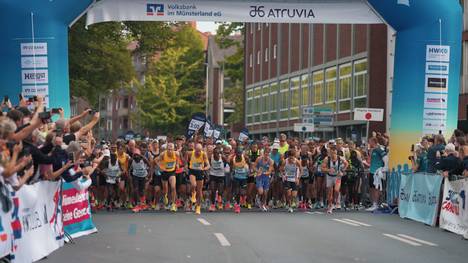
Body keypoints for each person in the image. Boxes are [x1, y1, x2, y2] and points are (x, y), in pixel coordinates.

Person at [321, 146, 348, 214]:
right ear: (330, 153)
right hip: (329, 177)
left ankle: (335, 202)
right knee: (330, 193)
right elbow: (322, 168)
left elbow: (346, 164)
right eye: (332, 153)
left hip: (337, 177)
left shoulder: (340, 158)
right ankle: (330, 206)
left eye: (334, 153)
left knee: (336, 190)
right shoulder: (327, 159)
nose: (333, 155)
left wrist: (343, 170)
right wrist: (329, 170)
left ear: (336, 153)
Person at [366, 137, 388, 212]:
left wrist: (383, 169)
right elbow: (371, 161)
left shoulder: (379, 149)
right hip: (372, 172)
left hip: (377, 172)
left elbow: (386, 159)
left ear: (374, 142)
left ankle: (376, 204)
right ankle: (373, 204)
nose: (369, 143)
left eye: (370, 142)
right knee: (371, 188)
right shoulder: (372, 150)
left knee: (376, 188)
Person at [188, 143, 210, 215]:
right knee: (193, 185)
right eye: (197, 151)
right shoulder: (190, 153)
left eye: (199, 151)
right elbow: (185, 162)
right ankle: (193, 194)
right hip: (192, 171)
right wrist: (185, 167)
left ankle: (198, 207)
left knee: (199, 191)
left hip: (200, 172)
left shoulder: (204, 154)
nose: (198, 152)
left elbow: (208, 165)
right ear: (195, 149)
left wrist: (204, 168)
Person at [159, 143, 180, 212]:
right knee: (165, 190)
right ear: (166, 149)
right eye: (168, 149)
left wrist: (177, 164)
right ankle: (165, 196)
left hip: (172, 172)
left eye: (171, 149)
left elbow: (177, 160)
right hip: (164, 172)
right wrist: (161, 167)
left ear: (173, 149)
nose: (170, 151)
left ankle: (173, 204)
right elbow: (157, 161)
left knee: (173, 187)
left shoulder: (176, 154)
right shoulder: (162, 154)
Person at [281, 148, 301, 213]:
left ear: (294, 156)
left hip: (294, 179)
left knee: (294, 195)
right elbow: (281, 169)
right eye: (290, 157)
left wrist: (298, 178)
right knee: (288, 193)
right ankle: (290, 206)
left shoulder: (297, 161)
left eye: (293, 157)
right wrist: (283, 175)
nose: (291, 158)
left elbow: (301, 170)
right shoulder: (285, 161)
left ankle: (291, 203)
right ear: (288, 156)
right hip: (287, 179)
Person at [254, 148, 274, 212]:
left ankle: (263, 204)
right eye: (266, 153)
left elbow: (270, 171)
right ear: (263, 153)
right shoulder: (259, 159)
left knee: (265, 193)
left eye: (268, 154)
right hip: (259, 177)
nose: (266, 155)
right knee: (261, 192)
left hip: (266, 178)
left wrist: (264, 173)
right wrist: (257, 171)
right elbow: (254, 166)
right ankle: (258, 197)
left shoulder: (271, 161)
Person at [231, 147, 249, 213]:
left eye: (240, 153)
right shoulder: (233, 159)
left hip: (244, 177)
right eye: (238, 153)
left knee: (243, 192)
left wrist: (249, 171)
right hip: (236, 177)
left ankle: (242, 199)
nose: (239, 154)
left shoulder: (245, 158)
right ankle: (237, 205)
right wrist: (232, 173)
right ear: (235, 153)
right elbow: (231, 166)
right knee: (237, 192)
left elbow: (249, 163)